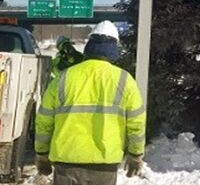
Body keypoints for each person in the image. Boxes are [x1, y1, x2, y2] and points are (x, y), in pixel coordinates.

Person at [35, 20, 146, 185]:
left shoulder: (64, 77)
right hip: (104, 166)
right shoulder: (124, 80)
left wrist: (42, 154)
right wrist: (135, 155)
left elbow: (44, 120)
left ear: (89, 46)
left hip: (67, 163)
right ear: (114, 48)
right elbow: (136, 123)